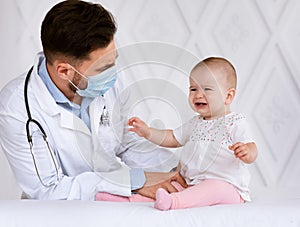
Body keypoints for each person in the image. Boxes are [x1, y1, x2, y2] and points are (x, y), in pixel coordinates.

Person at [0, 0, 187, 200]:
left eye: (113, 61)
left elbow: (128, 142)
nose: (113, 73)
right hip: (55, 214)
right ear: (65, 71)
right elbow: (47, 190)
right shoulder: (17, 107)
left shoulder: (111, 82)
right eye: (102, 68)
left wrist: (176, 172)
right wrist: (134, 181)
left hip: (113, 205)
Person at [96, 57, 258, 210]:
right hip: (191, 183)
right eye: (193, 89)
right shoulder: (195, 123)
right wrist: (148, 132)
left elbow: (252, 148)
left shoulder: (235, 122)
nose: (198, 95)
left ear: (228, 96)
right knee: (168, 185)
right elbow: (172, 137)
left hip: (227, 188)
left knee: (213, 188)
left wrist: (247, 152)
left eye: (207, 89)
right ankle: (126, 200)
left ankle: (174, 202)